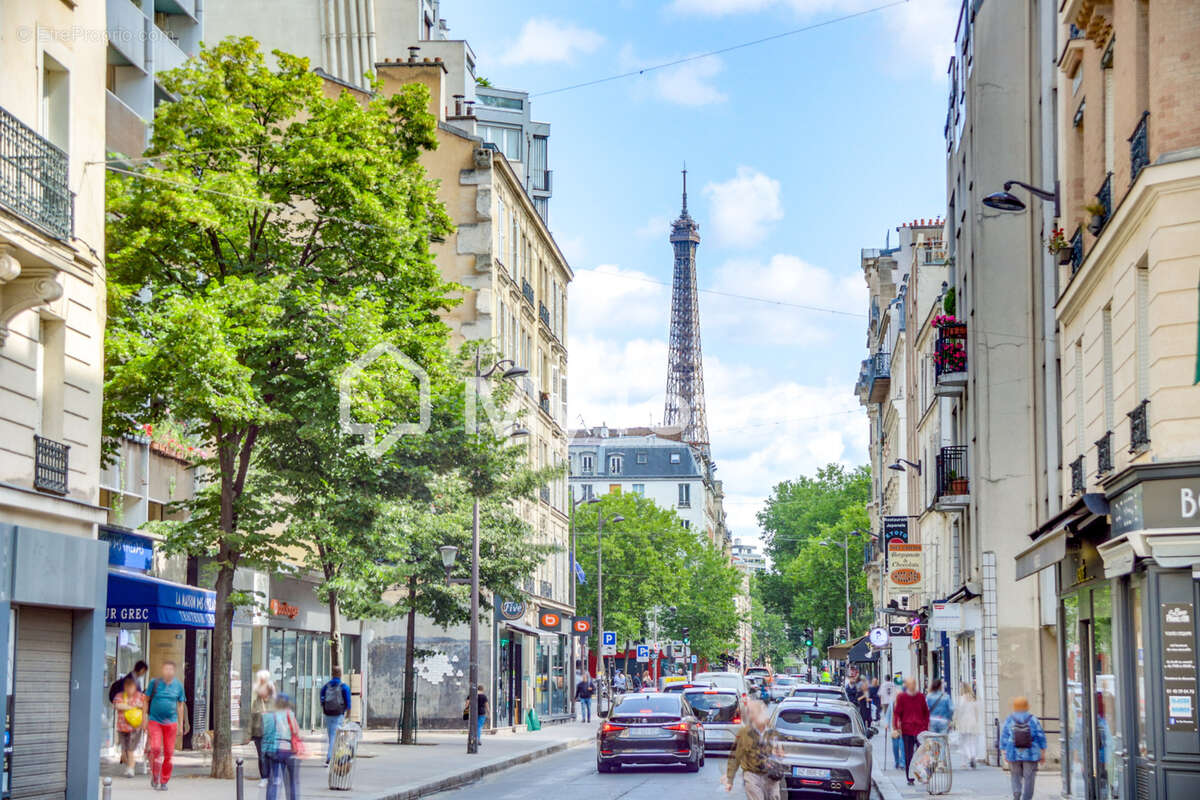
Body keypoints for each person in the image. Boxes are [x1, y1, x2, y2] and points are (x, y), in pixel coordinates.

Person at [722, 699, 781, 800]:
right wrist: (730, 779)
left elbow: (781, 753)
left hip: (771, 776)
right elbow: (735, 756)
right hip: (752, 775)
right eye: (751, 713)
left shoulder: (772, 732)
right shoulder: (744, 733)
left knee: (774, 797)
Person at [146, 660, 189, 791]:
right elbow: (146, 700)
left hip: (171, 723)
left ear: (174, 671)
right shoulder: (154, 683)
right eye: (166, 669)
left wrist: (181, 724)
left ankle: (164, 780)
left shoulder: (178, 686)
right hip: (155, 721)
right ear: (162, 670)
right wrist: (144, 720)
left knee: (169, 753)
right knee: (155, 749)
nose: (168, 671)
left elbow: (181, 705)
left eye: (171, 669)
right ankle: (155, 775)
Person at [1000, 696, 1047, 800]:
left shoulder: (1010, 719)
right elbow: (1041, 736)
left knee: (1015, 776)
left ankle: (1016, 795)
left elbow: (1004, 738)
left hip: (1013, 753)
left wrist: (1004, 753)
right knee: (1029, 778)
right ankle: (1027, 798)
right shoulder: (1033, 719)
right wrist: (1043, 753)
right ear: (1027, 706)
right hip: (1030, 753)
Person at [262, 693, 301, 800]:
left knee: (274, 780)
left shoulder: (270, 715)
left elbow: (266, 734)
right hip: (289, 749)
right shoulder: (290, 714)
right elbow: (296, 731)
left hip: (275, 749)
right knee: (292, 781)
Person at [892, 677, 929, 785]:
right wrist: (896, 726)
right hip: (907, 729)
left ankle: (922, 775)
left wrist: (925, 727)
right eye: (910, 684)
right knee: (909, 754)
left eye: (914, 684)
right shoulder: (902, 697)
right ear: (907, 686)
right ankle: (910, 777)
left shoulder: (920, 696)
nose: (912, 686)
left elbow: (926, 712)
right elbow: (897, 712)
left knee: (922, 754)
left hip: (920, 729)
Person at [112, 674, 146, 778]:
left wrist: (145, 722)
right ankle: (129, 766)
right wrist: (132, 706)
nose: (129, 688)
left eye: (131, 685)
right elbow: (117, 705)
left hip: (135, 728)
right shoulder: (120, 696)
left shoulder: (141, 696)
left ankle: (131, 768)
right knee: (125, 750)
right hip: (122, 727)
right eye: (127, 685)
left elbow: (145, 707)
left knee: (130, 749)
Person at [319, 666, 351, 765]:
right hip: (338, 714)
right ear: (340, 674)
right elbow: (348, 702)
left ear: (332, 674)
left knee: (332, 736)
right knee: (335, 736)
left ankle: (336, 756)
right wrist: (348, 713)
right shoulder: (344, 686)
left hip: (328, 714)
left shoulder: (326, 686)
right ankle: (330, 757)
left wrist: (325, 707)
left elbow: (322, 699)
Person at [250, 670, 276, 786]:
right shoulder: (256, 702)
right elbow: (252, 716)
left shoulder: (274, 702)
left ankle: (272, 776)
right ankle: (264, 777)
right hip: (259, 731)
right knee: (261, 755)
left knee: (270, 754)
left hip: (271, 731)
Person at [953, 683, 983, 768]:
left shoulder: (961, 699)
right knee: (972, 742)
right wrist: (977, 721)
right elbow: (977, 712)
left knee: (965, 742)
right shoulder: (974, 699)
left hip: (964, 722)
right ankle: (973, 756)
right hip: (973, 722)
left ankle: (970, 757)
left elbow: (959, 711)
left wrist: (955, 720)